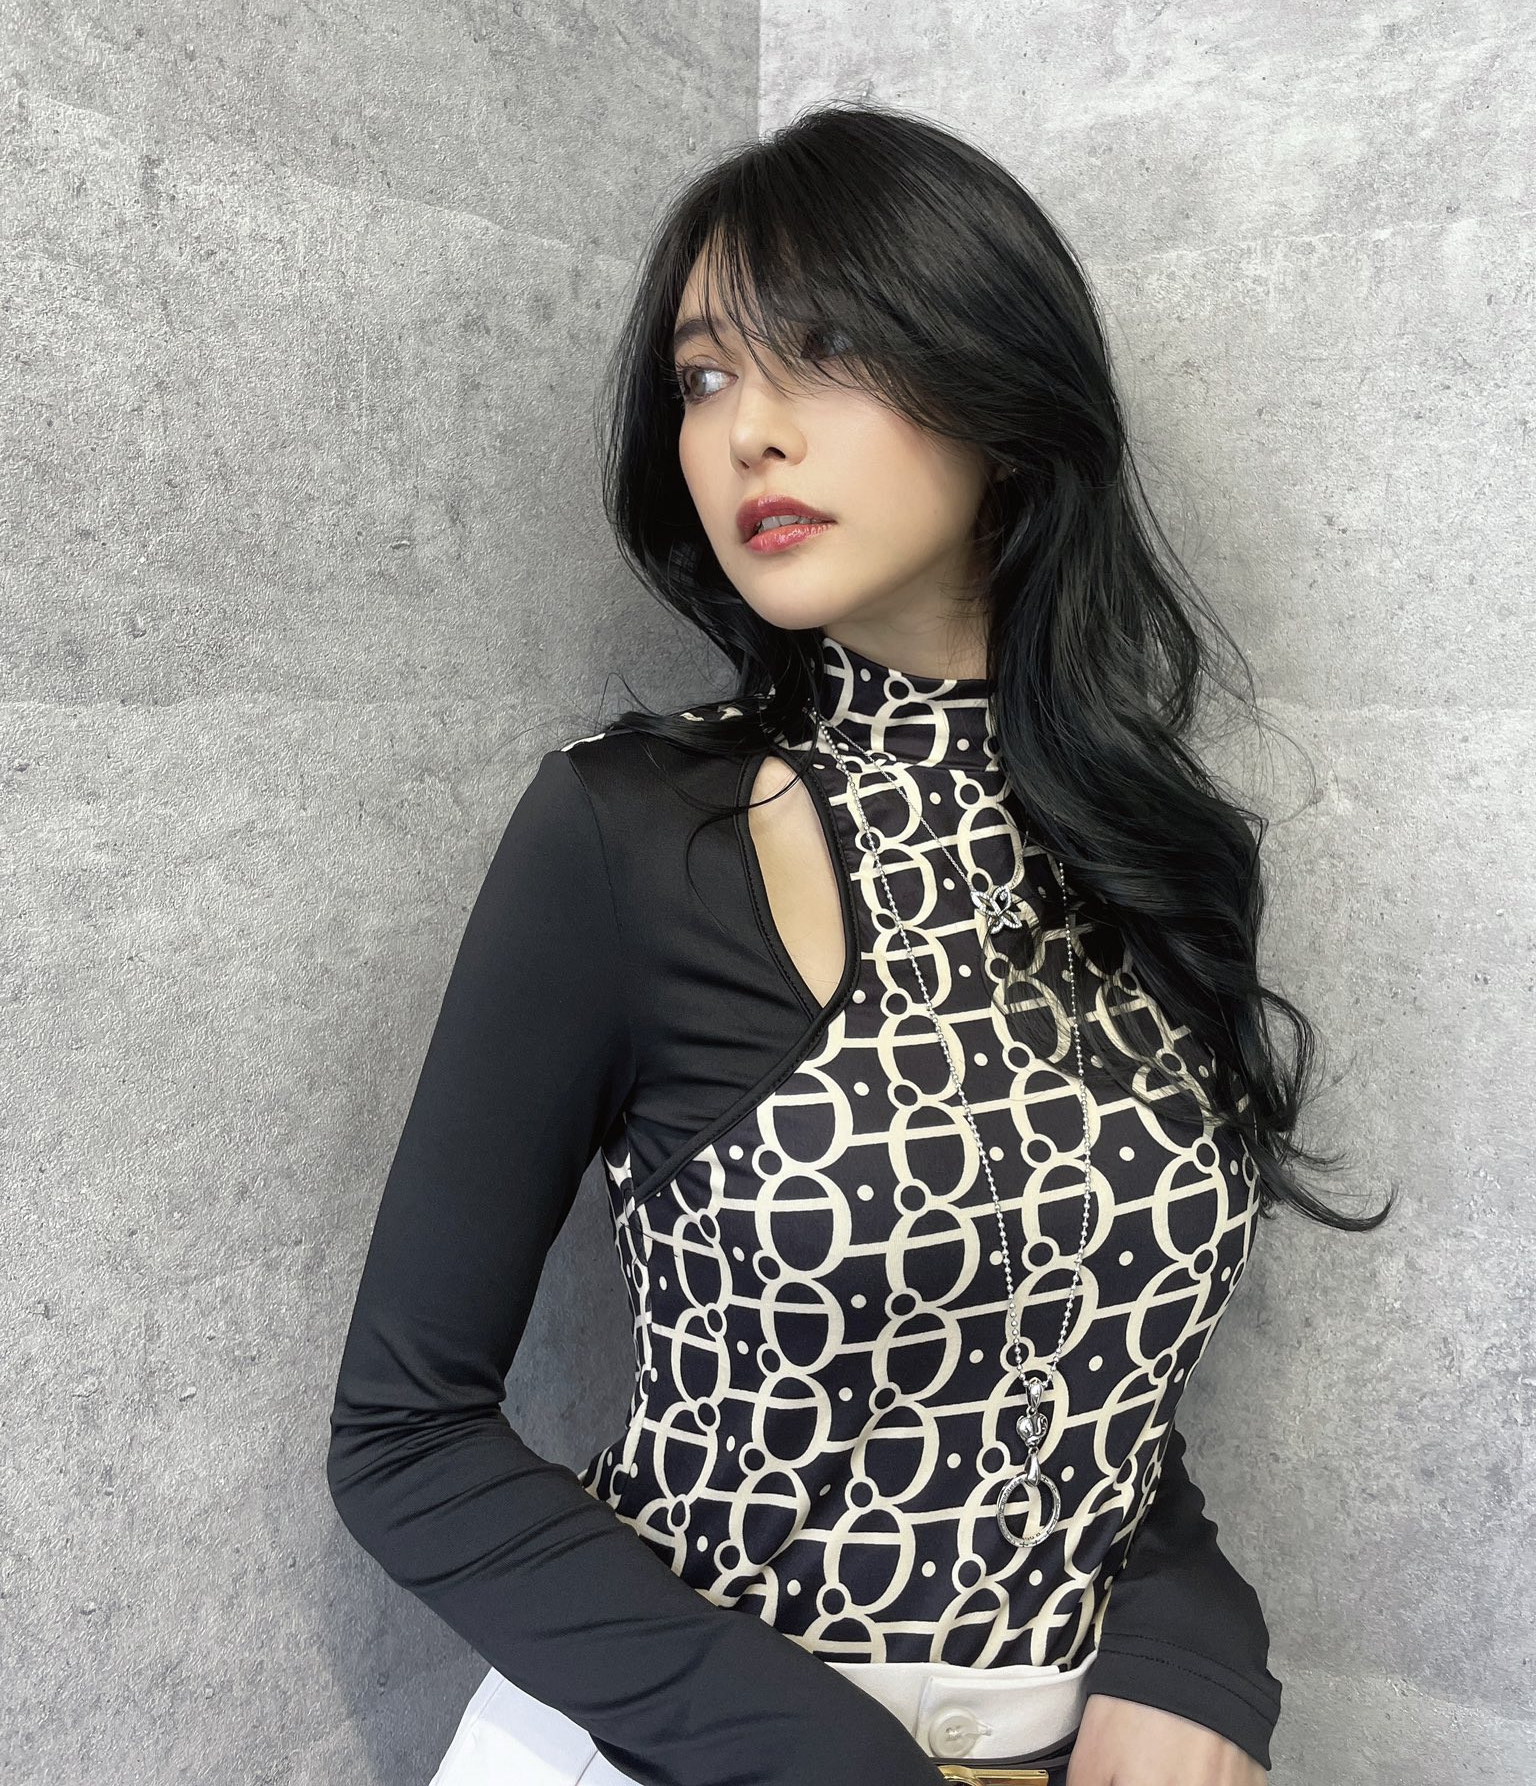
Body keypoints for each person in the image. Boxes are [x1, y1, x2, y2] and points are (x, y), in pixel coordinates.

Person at [326, 101, 1393, 1786]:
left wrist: (1191, 1652)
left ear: (1003, 394)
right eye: (703, 376)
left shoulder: (1148, 845)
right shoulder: (629, 832)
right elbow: (404, 1438)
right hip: (669, 1756)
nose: (747, 431)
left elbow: (1081, 1363)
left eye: (821, 352)